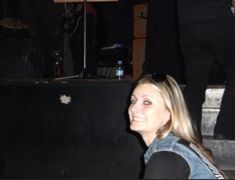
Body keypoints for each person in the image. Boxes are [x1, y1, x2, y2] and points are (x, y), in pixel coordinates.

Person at [128, 73, 226, 179]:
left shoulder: (165, 158)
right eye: (133, 101)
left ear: (169, 113)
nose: (134, 108)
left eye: (147, 102)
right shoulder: (179, 146)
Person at [177, 0, 235, 139]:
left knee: (195, 84)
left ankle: (191, 135)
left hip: (188, 23)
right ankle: (225, 129)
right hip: (218, 19)